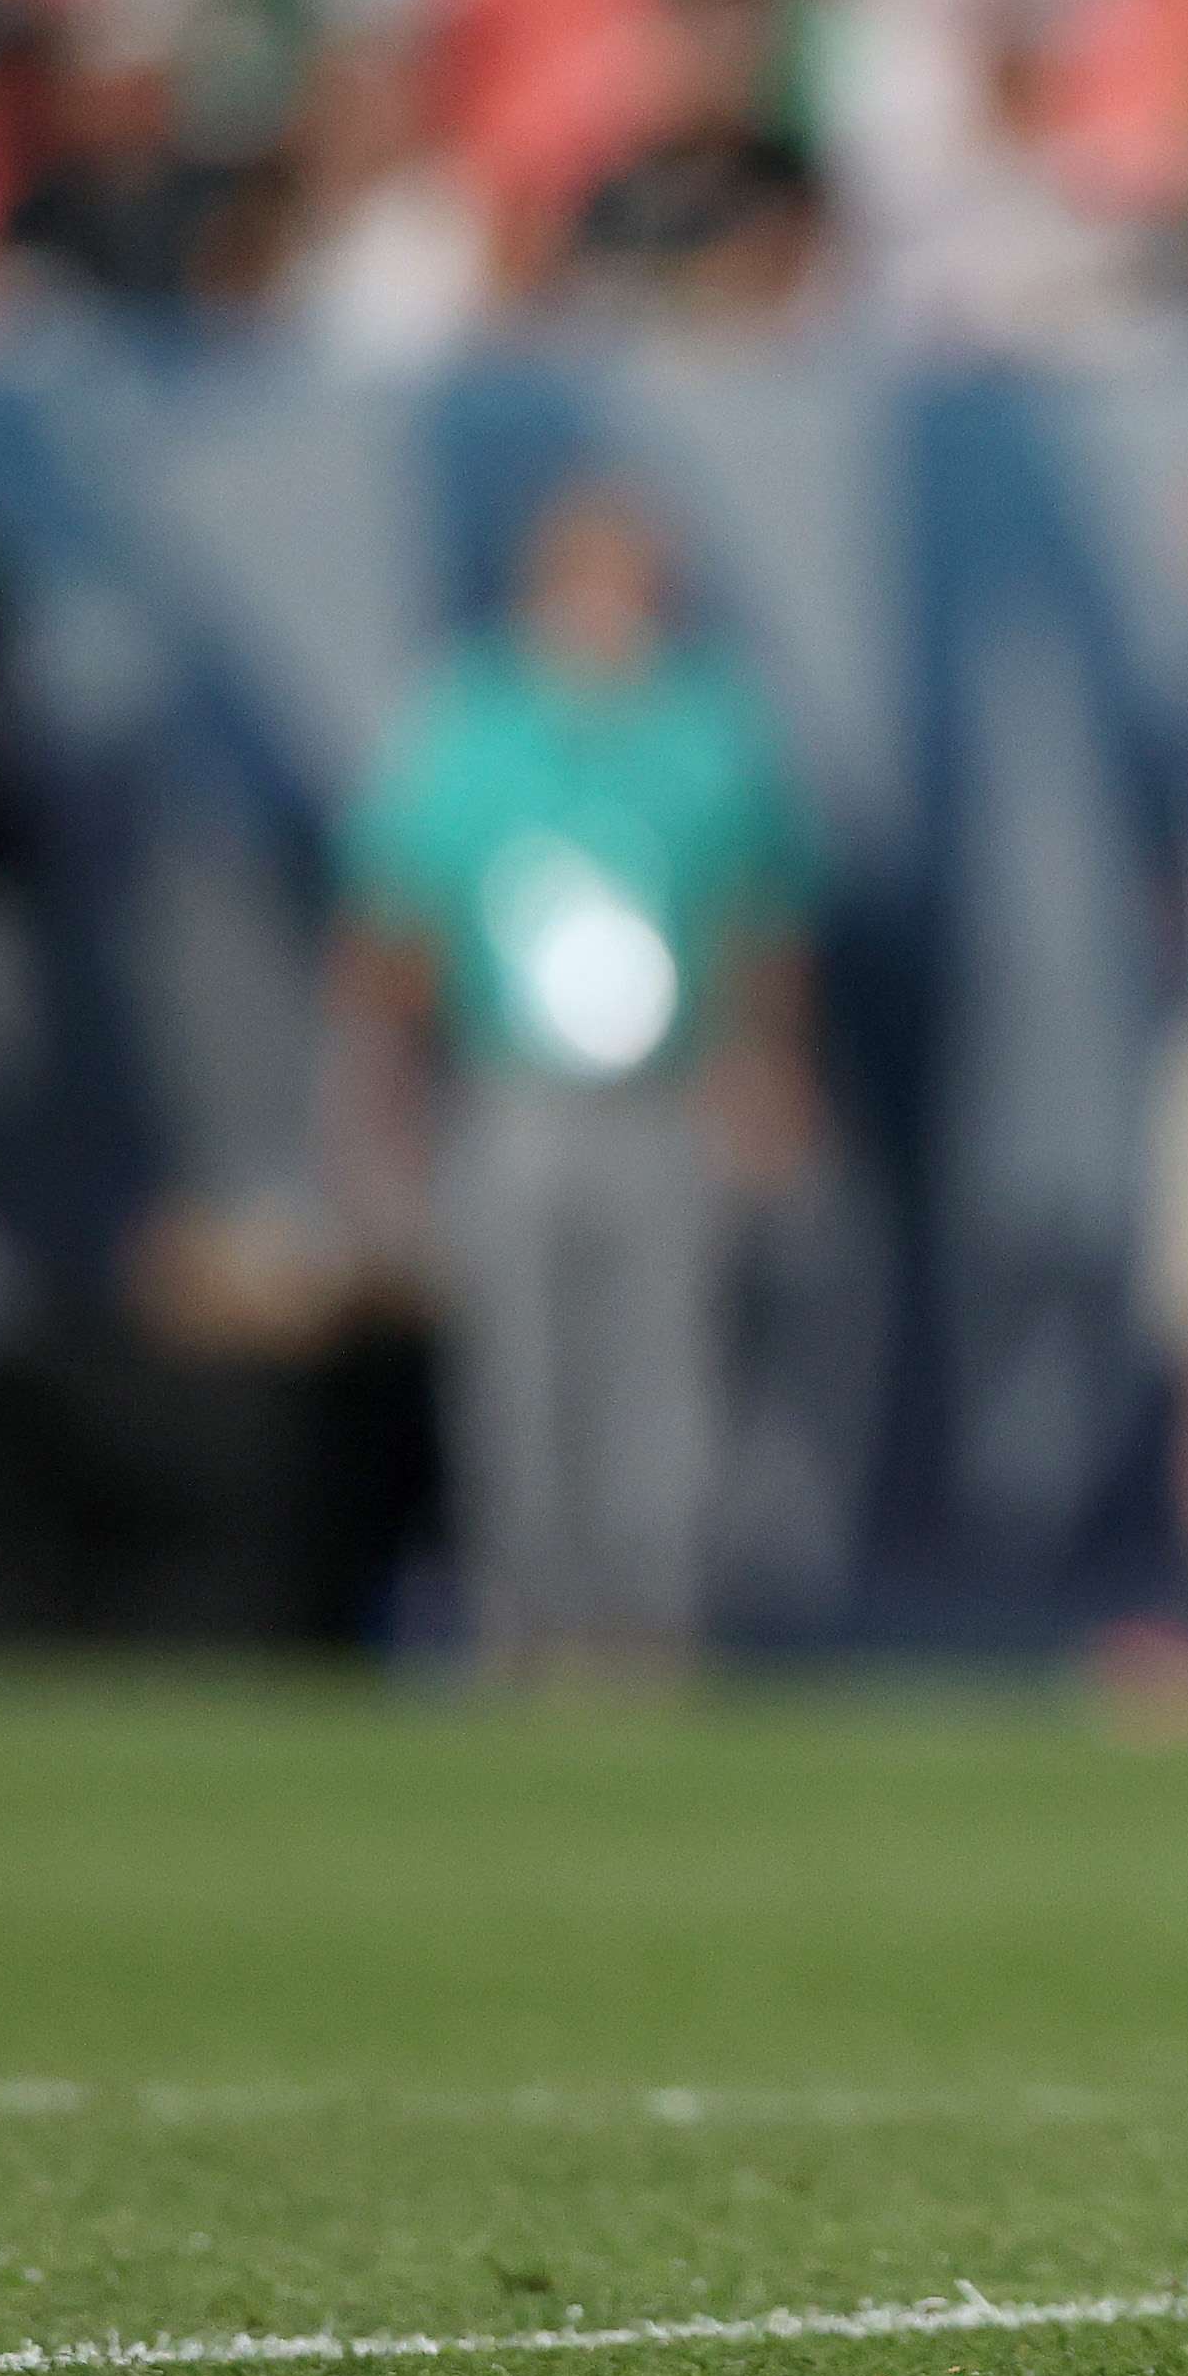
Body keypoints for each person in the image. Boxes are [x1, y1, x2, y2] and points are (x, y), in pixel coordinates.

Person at [329, 477, 817, 1684]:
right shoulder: (476, 721)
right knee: (517, 1369)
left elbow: (759, 922)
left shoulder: (709, 724)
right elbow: (400, 922)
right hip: (517, 1085)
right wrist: (378, 1104)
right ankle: (523, 1608)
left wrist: (766, 1076)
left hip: (667, 1090)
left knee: (666, 1369)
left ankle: (650, 1617)